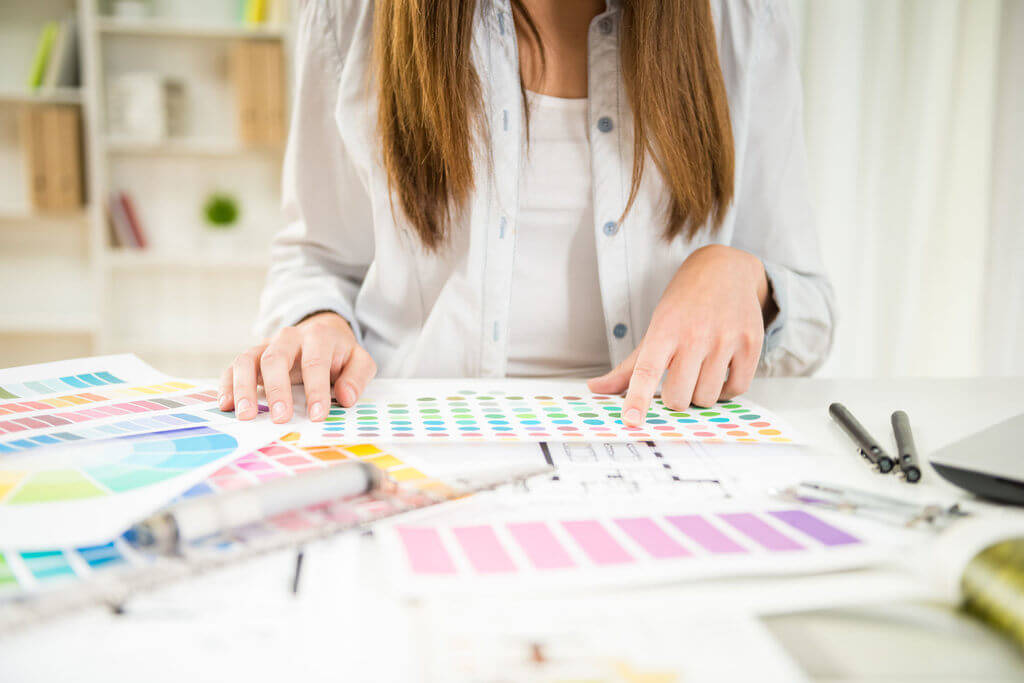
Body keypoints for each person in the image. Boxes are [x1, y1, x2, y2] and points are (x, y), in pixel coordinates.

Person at [220, 0, 835, 428]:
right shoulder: (350, 14)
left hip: (659, 445)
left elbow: (811, 316)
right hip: (415, 437)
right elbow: (315, 259)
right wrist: (322, 321)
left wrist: (742, 277)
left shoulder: (742, 17)